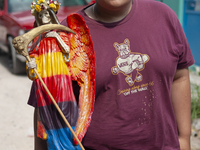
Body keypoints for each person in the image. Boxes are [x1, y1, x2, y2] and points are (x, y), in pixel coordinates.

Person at [60, 0, 194, 149]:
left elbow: (180, 76)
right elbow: (46, 107)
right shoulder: (67, 34)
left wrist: (184, 138)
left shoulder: (164, 16)